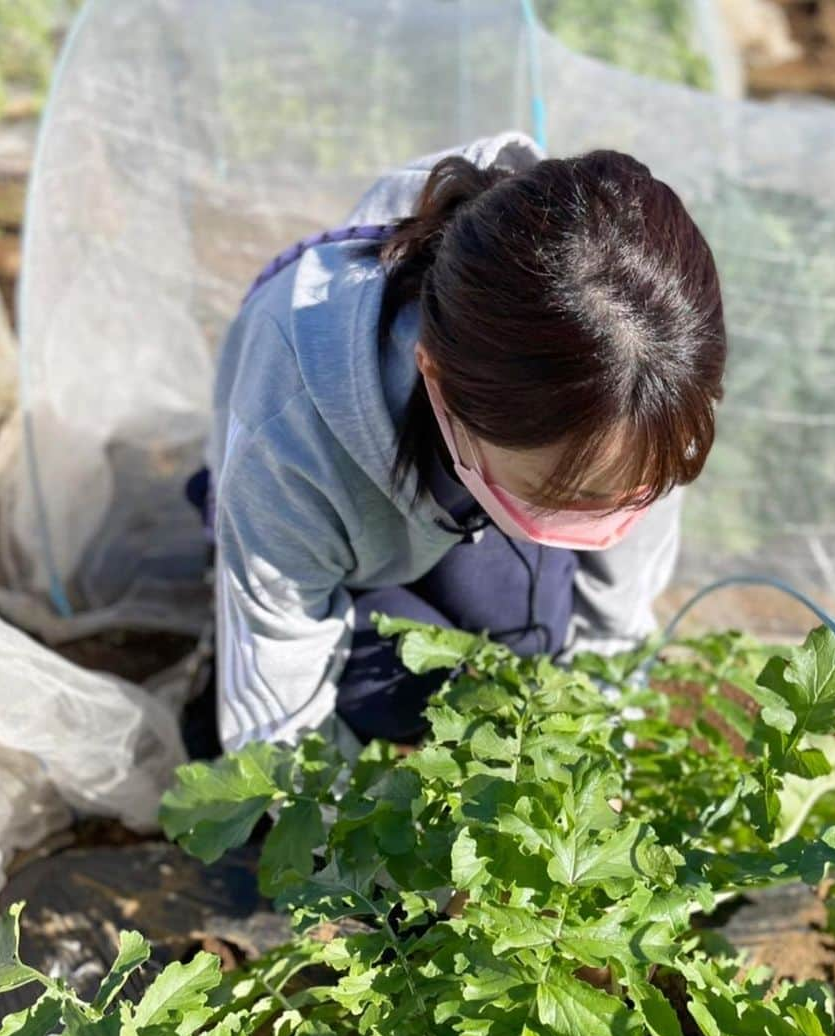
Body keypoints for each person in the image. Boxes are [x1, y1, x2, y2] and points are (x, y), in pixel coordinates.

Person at [195, 131, 725, 758]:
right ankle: (205, 699)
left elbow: (615, 621)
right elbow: (276, 708)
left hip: (473, 485)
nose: (611, 520)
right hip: (345, 522)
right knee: (399, 689)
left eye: (630, 494)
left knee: (529, 651)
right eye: (567, 495)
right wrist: (335, 833)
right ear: (437, 379)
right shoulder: (290, 428)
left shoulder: (650, 376)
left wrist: (600, 744)